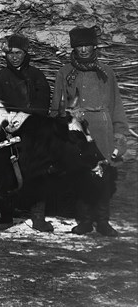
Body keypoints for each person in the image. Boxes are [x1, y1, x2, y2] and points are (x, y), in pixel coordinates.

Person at [51, 25, 129, 237]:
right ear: (73, 49)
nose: (83, 50)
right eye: (79, 46)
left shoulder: (106, 73)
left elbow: (116, 106)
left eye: (87, 45)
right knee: (80, 176)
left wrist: (119, 135)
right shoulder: (65, 73)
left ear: (94, 46)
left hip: (102, 131)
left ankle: (103, 221)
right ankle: (84, 221)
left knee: (103, 178)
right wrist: (66, 119)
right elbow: (56, 108)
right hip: (77, 133)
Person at [0, 33, 53, 232]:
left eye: (18, 53)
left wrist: (29, 120)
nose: (14, 57)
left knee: (37, 175)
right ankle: (6, 217)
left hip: (33, 133)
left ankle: (38, 218)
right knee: (7, 175)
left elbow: (43, 106)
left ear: (26, 53)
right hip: (8, 133)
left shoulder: (36, 76)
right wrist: (6, 124)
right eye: (10, 53)